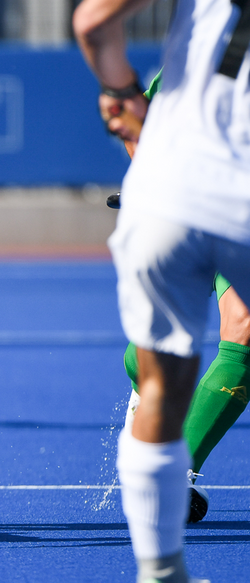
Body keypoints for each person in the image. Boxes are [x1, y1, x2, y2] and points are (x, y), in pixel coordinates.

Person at [73, 0, 250, 581]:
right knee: (227, 341)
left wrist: (120, 93)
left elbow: (94, 18)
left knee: (165, 373)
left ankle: (160, 567)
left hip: (173, 191)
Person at [111, 71, 250, 525]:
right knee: (157, 341)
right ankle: (145, 394)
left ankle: (176, 474)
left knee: (244, 328)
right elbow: (135, 122)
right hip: (188, 211)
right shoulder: (195, 61)